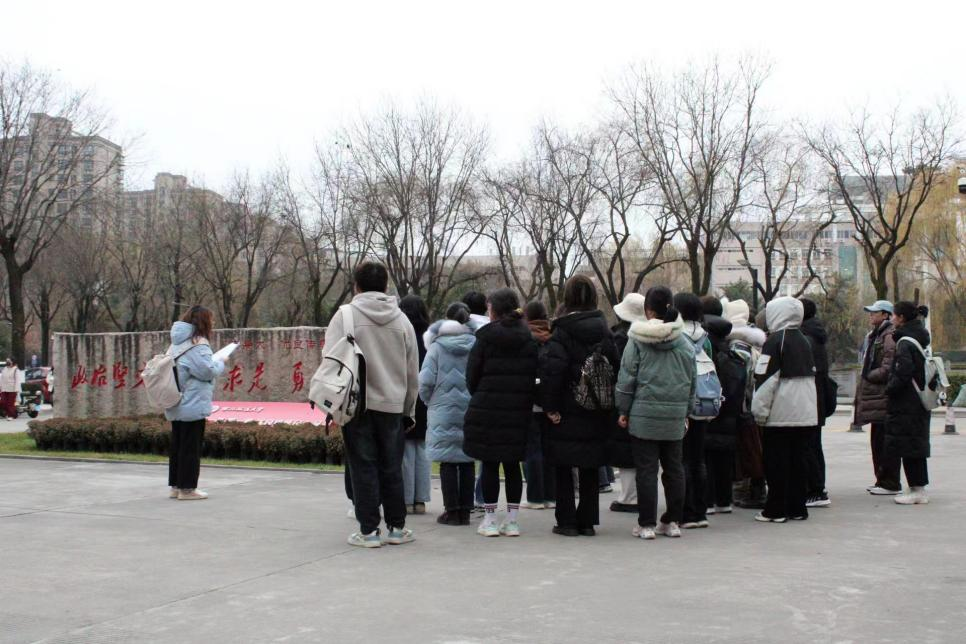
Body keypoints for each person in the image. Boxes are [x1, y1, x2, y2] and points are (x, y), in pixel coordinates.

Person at [325, 262, 420, 548]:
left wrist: (333, 406)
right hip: (392, 405)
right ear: (386, 285)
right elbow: (411, 370)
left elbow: (330, 361)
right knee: (392, 467)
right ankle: (397, 528)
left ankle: (368, 531)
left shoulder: (345, 316)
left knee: (362, 466)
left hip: (356, 405)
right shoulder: (402, 320)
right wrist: (409, 409)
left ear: (356, 285)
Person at [541, 276, 619, 537]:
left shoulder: (561, 332)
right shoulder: (605, 332)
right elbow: (616, 369)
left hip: (567, 408)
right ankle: (587, 521)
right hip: (598, 409)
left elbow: (553, 372)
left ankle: (566, 521)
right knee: (590, 465)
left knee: (563, 465)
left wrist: (550, 406)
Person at [616, 286, 696, 540]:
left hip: (643, 415)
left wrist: (623, 409)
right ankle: (672, 521)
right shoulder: (684, 342)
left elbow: (627, 378)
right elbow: (692, 381)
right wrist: (687, 411)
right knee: (674, 469)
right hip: (675, 416)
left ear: (648, 310)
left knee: (647, 471)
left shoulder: (637, 339)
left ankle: (646, 524)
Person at [463, 288, 538, 537]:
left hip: (488, 408)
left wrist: (483, 393)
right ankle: (513, 520)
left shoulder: (485, 337)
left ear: (494, 310)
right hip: (518, 409)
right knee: (513, 464)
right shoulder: (528, 338)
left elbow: (472, 376)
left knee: (490, 464)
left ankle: (490, 519)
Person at [751, 297, 817, 523]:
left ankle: (775, 510)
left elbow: (766, 380)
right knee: (799, 462)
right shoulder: (805, 340)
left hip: (780, 413)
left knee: (776, 463)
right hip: (805, 413)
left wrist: (759, 412)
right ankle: (797, 508)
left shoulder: (775, 341)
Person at [420, 302, 476, 526]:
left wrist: (430, 401)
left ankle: (451, 511)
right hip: (470, 408)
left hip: (442, 409)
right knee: (468, 459)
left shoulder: (436, 347)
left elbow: (425, 381)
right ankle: (466, 511)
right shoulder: (476, 344)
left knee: (448, 461)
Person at [164, 306, 226, 500]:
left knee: (178, 445)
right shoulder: (198, 344)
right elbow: (207, 371)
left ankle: (176, 486)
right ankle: (188, 489)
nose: (213, 323)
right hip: (192, 403)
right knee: (191, 447)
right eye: (211, 320)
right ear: (204, 322)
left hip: (176, 400)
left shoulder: (176, 344)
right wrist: (221, 362)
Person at [885, 302, 933, 505]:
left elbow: (903, 372)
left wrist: (889, 388)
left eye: (893, 315)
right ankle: (916, 487)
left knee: (909, 446)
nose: (891, 319)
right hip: (916, 401)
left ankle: (918, 489)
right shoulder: (919, 337)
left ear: (902, 318)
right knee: (914, 444)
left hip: (907, 403)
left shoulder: (905, 342)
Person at [724, 299, 768, 510]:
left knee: (745, 452)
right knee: (754, 450)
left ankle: (745, 490)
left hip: (742, 408)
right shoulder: (755, 345)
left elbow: (739, 382)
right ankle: (754, 489)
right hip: (753, 406)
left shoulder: (736, 347)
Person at [674, 292, 712, 530]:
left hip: (683, 402)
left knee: (682, 460)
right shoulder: (705, 337)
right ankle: (700, 511)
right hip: (704, 401)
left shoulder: (677, 336)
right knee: (698, 459)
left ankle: (686, 511)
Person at [607, 292, 648, 513]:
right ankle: (639, 494)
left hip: (626, 397)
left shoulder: (621, 339)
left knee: (626, 449)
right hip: (646, 398)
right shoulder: (649, 336)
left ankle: (629, 497)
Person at [854, 300, 900, 495]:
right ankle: (881, 480)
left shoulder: (888, 336)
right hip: (876, 396)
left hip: (882, 396)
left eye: (875, 312)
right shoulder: (875, 335)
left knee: (884, 441)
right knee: (877, 440)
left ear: (886, 315)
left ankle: (889, 482)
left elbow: (888, 367)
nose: (871, 315)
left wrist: (869, 375)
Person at [700, 296, 741, 516]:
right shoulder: (728, 342)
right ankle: (724, 500)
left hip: (706, 405)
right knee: (724, 455)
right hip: (729, 406)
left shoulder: (701, 341)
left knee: (704, 454)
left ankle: (706, 500)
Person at [399, 294, 432, 515]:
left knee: (405, 450)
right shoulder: (431, 337)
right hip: (426, 398)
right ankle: (421, 499)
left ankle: (407, 499)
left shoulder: (402, 334)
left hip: (406, 395)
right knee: (422, 449)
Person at [522, 300, 556, 510]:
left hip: (530, 400)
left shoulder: (526, 337)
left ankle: (535, 497)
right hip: (550, 401)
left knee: (532, 449)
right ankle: (551, 495)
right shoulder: (553, 337)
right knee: (549, 449)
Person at [799, 298, 832, 508]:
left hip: (810, 398)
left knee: (809, 446)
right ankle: (817, 487)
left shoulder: (805, 338)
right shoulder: (815, 334)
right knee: (814, 444)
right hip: (818, 396)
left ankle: (815, 490)